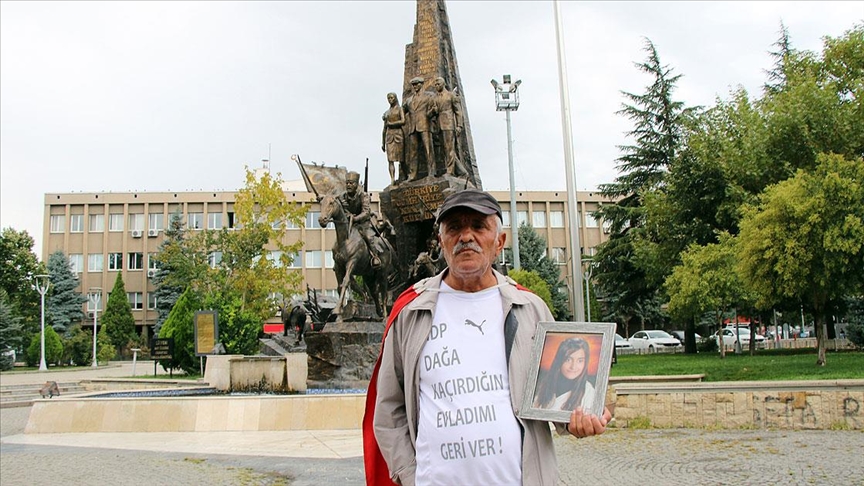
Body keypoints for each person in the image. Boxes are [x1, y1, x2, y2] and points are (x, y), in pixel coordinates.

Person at [363, 188, 611, 486]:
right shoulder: (411, 312)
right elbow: (388, 407)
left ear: (499, 242)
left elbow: (555, 396)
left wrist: (580, 419)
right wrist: (407, 473)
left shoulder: (530, 309)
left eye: (479, 226)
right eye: (454, 227)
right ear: (441, 241)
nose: (466, 236)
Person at [532, 337, 596, 411]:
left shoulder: (588, 392)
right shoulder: (547, 384)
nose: (573, 366)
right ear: (559, 360)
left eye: (580, 361)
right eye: (568, 359)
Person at [338, 171, 381, 268]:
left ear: (357, 184)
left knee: (369, 238)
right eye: (347, 182)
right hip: (349, 225)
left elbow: (366, 212)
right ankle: (338, 259)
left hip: (363, 224)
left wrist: (356, 218)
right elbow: (334, 202)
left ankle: (375, 256)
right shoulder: (342, 196)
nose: (348, 185)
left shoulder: (363, 195)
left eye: (351, 183)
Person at [432, 77, 468, 177]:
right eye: (435, 84)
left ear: (443, 84)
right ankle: (462, 172)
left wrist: (459, 126)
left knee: (449, 149)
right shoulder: (435, 97)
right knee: (445, 150)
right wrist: (433, 111)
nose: (436, 86)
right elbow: (432, 112)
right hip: (439, 125)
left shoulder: (451, 95)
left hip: (449, 124)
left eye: (438, 83)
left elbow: (458, 111)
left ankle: (450, 171)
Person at [402, 77, 436, 181]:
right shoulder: (409, 100)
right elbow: (402, 112)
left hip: (425, 125)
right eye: (413, 85)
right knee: (413, 153)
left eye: (416, 84)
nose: (415, 86)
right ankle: (412, 175)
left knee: (428, 149)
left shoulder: (429, 96)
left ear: (421, 84)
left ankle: (431, 172)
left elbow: (433, 109)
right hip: (412, 127)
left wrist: (430, 114)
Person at [382, 92, 406, 186]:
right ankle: (392, 179)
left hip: (398, 135)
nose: (390, 100)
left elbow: (403, 121)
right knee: (390, 160)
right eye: (388, 98)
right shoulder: (387, 113)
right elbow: (384, 129)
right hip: (389, 137)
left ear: (395, 98)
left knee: (401, 158)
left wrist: (392, 124)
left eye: (392, 98)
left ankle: (404, 176)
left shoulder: (400, 109)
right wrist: (382, 143)